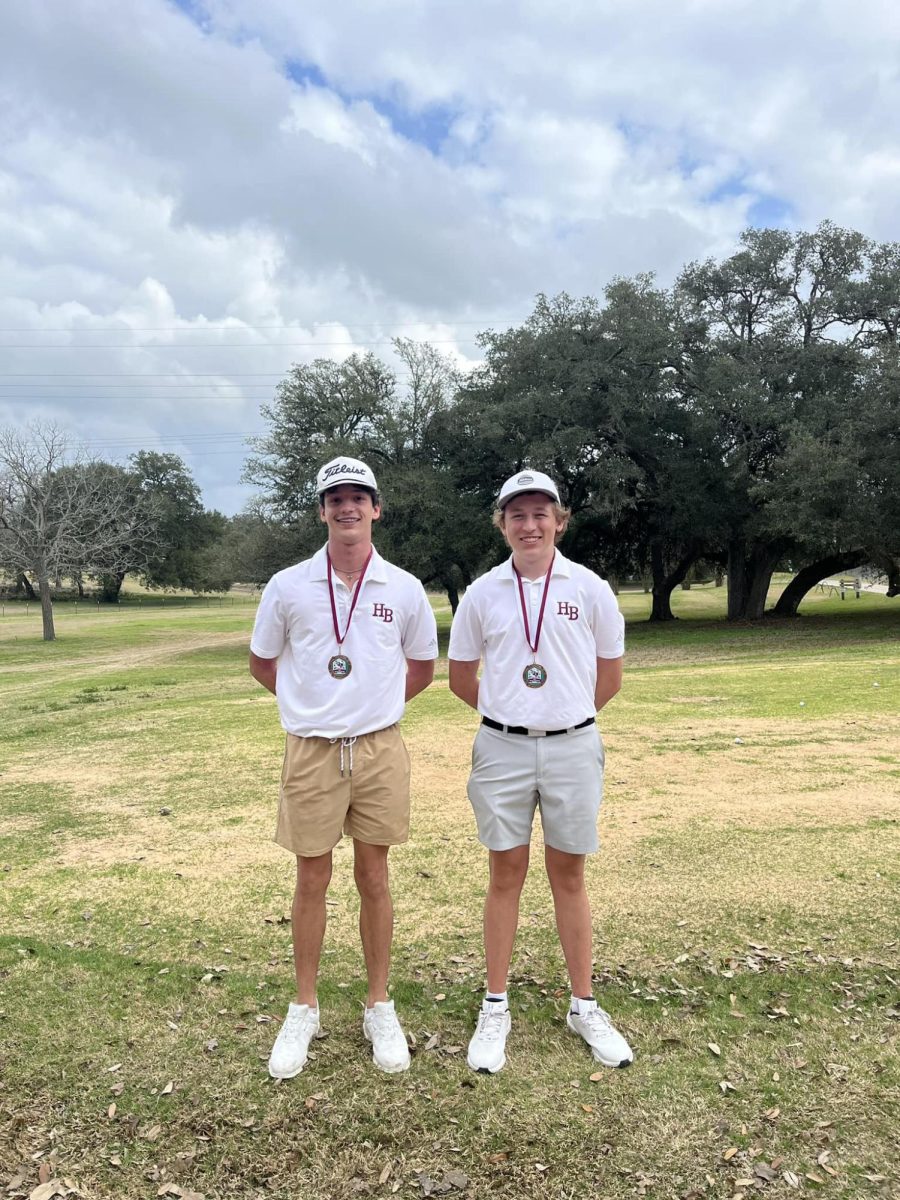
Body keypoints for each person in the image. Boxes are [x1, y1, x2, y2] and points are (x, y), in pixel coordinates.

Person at [249, 456, 438, 1078]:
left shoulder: (404, 588)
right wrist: (314, 705)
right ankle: (304, 1006)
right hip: (311, 749)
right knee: (311, 879)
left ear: (377, 508)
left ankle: (378, 1003)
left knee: (375, 876)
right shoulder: (287, 585)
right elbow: (263, 663)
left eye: (359, 497)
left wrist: (372, 709)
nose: (347, 507)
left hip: (380, 748)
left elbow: (420, 670)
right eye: (335, 498)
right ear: (322, 511)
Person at [447, 469, 632, 1074]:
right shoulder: (481, 593)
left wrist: (562, 719)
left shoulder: (592, 587)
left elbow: (609, 676)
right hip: (500, 748)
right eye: (517, 515)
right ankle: (495, 1004)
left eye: (540, 514)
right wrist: (512, 714)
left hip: (574, 745)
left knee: (569, 874)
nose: (530, 525)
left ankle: (583, 1003)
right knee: (506, 872)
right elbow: (460, 677)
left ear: (560, 520)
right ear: (502, 525)